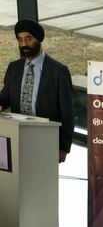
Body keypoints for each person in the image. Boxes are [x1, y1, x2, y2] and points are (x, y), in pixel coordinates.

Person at [0, 19, 75, 162]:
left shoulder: (59, 71)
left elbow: (67, 112)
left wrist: (64, 147)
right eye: (20, 40)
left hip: (45, 137)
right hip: (16, 134)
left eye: (28, 39)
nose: (24, 44)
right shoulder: (13, 68)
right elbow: (5, 97)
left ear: (39, 39)